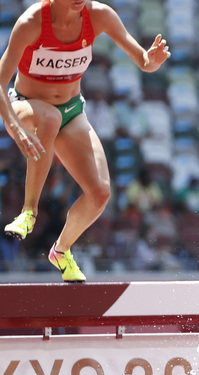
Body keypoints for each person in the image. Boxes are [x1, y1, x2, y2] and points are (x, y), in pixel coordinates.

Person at [0, 0, 170, 282]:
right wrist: (15, 127)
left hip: (71, 110)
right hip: (27, 106)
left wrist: (150, 62)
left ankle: (61, 250)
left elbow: (143, 60)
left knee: (101, 193)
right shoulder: (32, 22)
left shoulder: (99, 15)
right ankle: (28, 212)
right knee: (50, 119)